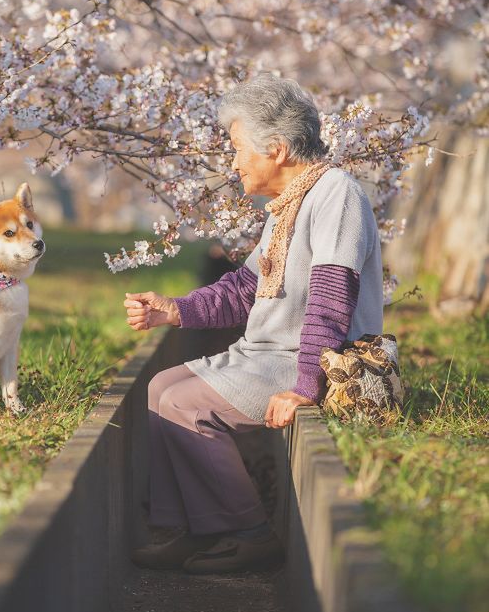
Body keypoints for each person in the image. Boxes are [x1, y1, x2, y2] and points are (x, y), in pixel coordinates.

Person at [124, 74, 383, 574]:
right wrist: (173, 310)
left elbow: (331, 297)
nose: (234, 162)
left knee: (183, 402)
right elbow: (245, 289)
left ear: (278, 149)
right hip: (267, 354)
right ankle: (196, 529)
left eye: (239, 148)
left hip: (314, 359)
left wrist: (308, 384)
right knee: (160, 386)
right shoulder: (287, 206)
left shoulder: (336, 194)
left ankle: (248, 532)